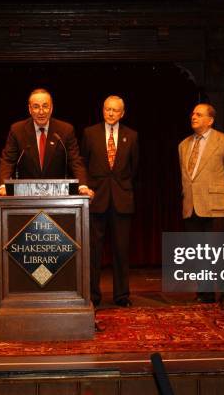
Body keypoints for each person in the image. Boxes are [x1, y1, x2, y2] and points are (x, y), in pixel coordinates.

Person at [178, 103, 224, 310]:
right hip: (192, 207)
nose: (193, 116)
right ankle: (204, 293)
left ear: (210, 120)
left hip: (216, 206)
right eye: (192, 113)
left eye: (199, 114)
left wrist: (222, 198)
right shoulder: (183, 145)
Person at [81, 95, 139, 308]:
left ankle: (122, 296)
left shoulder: (132, 136)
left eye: (115, 110)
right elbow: (83, 164)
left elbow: (134, 169)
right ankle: (93, 296)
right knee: (93, 251)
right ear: (102, 110)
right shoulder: (90, 133)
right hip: (96, 200)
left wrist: (121, 188)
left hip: (122, 201)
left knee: (121, 251)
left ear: (122, 113)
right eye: (107, 109)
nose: (111, 113)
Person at [0, 88, 93, 197]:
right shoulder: (17, 130)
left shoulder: (65, 130)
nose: (41, 111)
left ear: (51, 108)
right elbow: (8, 161)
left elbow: (75, 160)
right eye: (36, 107)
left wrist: (83, 186)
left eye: (45, 106)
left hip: (58, 195)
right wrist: (3, 187)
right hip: (25, 195)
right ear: (30, 109)